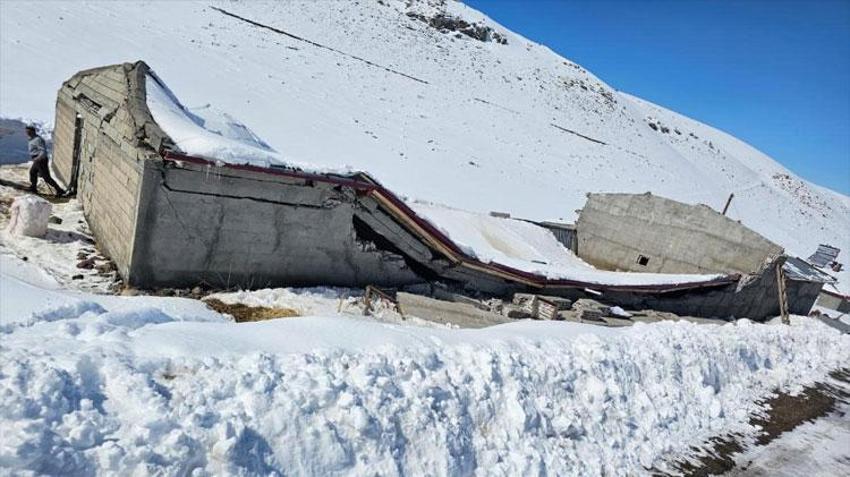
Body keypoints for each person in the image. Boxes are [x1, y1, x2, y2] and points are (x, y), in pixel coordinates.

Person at [26, 125, 65, 196]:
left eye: (28, 131)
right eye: (26, 131)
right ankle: (33, 187)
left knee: (46, 177)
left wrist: (37, 158)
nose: (26, 133)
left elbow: (43, 151)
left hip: (40, 160)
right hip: (37, 160)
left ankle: (59, 190)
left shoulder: (38, 140)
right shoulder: (32, 139)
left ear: (32, 131)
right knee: (32, 172)